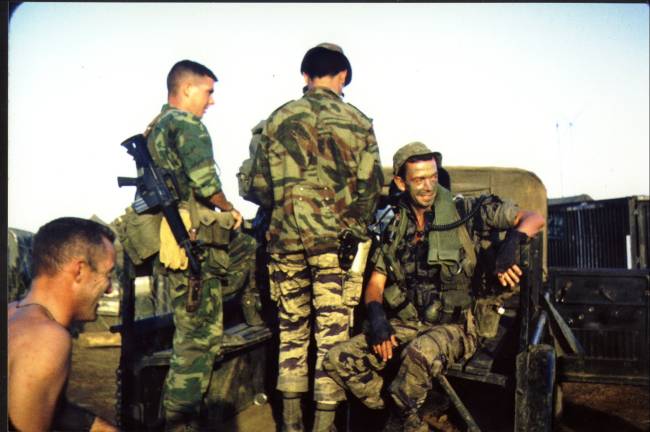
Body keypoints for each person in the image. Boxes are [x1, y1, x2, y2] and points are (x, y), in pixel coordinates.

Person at [323, 142, 545, 431]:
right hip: (410, 323)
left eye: (433, 177)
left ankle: (400, 418)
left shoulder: (465, 211)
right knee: (338, 359)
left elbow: (533, 218)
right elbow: (376, 283)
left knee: (418, 355)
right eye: (419, 179)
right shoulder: (395, 226)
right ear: (400, 182)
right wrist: (377, 317)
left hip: (460, 327)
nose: (428, 187)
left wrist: (512, 243)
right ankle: (409, 417)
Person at [244, 43, 384, 431]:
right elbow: (371, 189)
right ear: (343, 76)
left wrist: (288, 205)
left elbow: (256, 186)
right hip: (336, 247)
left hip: (285, 242)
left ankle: (290, 425)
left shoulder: (277, 119)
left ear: (305, 76)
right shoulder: (359, 123)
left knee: (291, 333)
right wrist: (349, 222)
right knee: (332, 337)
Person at [142, 59, 262, 430]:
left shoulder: (157, 126)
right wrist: (229, 209)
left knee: (191, 338)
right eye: (208, 92)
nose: (211, 101)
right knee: (197, 343)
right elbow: (206, 184)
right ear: (187, 89)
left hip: (175, 240)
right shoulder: (186, 124)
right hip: (193, 244)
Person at [7, 217, 118, 432]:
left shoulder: (12, 313)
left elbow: (28, 403)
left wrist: (99, 427)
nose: (110, 289)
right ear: (79, 271)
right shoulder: (47, 339)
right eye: (107, 274)